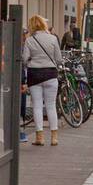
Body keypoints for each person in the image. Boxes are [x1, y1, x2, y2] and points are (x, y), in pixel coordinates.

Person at [22, 14, 62, 147]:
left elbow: (24, 59)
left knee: (37, 106)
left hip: (35, 75)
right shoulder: (53, 38)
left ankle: (40, 137)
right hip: (51, 74)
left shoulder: (29, 40)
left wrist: (32, 61)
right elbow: (59, 59)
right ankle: (54, 137)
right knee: (51, 106)